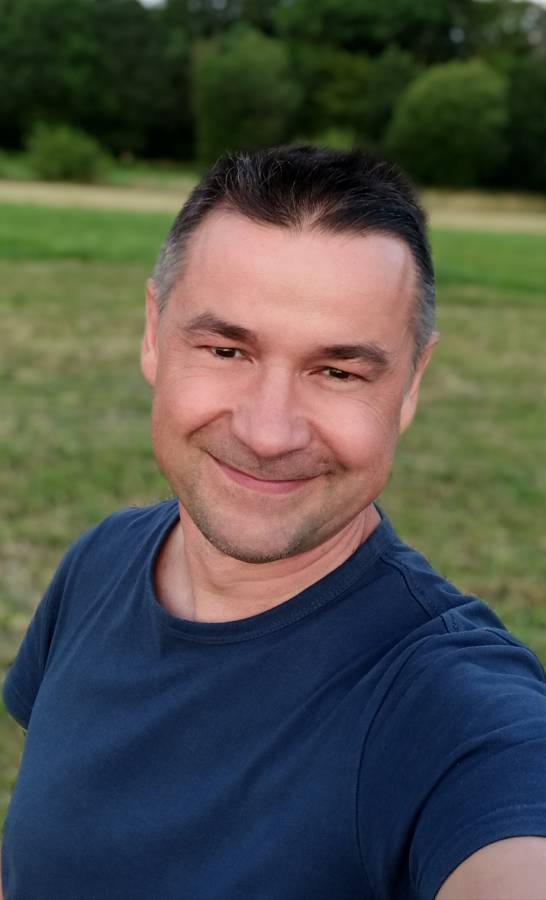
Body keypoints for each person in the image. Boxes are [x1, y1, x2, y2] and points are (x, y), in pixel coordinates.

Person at [2, 145, 546, 900]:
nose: (268, 432)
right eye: (227, 349)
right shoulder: (100, 563)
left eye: (337, 372)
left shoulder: (451, 712)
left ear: (411, 384)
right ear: (154, 334)